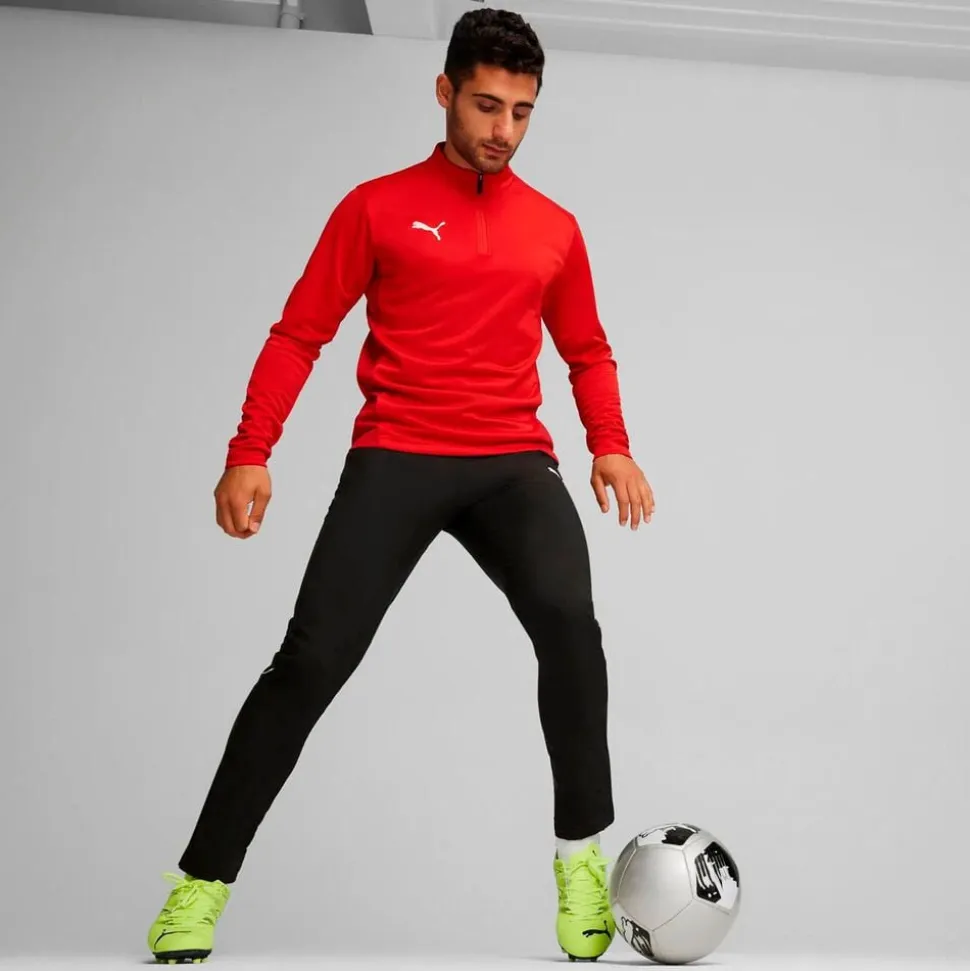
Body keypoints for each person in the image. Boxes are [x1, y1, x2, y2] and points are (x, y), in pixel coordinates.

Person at [146, 7, 655, 965]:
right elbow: (300, 332)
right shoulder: (376, 206)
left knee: (570, 625)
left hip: (510, 462)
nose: (503, 130)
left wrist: (611, 444)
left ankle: (580, 858)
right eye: (486, 105)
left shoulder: (554, 228)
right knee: (309, 662)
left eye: (522, 112)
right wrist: (251, 449)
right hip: (399, 451)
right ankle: (199, 885)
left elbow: (586, 349)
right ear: (445, 91)